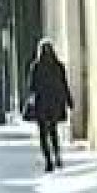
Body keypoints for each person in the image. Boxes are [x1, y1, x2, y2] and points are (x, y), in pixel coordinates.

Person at [27, 38, 72, 172]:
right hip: (55, 103)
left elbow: (31, 86)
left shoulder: (36, 66)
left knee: (43, 134)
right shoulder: (58, 66)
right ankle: (57, 155)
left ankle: (48, 161)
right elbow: (64, 84)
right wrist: (68, 100)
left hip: (42, 103)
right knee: (53, 131)